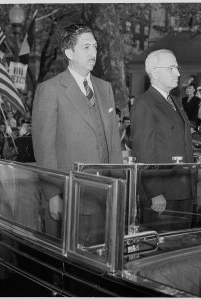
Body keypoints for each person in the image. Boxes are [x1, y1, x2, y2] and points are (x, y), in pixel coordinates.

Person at [32, 23, 122, 244]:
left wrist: (121, 187)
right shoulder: (50, 89)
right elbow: (44, 148)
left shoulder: (105, 88)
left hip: (108, 194)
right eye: (86, 47)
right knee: (77, 264)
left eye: (95, 46)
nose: (94, 53)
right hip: (73, 196)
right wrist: (53, 196)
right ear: (69, 52)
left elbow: (113, 141)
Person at [130, 49, 195, 231]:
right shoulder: (144, 103)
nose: (178, 73)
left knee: (182, 247)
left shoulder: (175, 101)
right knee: (162, 251)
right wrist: (155, 192)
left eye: (177, 67)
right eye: (172, 68)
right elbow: (143, 152)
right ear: (155, 72)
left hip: (184, 189)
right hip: (163, 195)